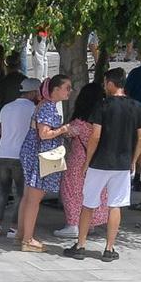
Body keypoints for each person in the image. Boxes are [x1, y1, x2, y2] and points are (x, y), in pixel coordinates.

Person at [67, 68, 141, 262]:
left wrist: (87, 161)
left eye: (105, 83)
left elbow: (95, 136)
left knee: (88, 204)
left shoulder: (102, 105)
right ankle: (109, 248)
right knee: (115, 206)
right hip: (121, 164)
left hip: (99, 162)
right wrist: (132, 160)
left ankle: (81, 245)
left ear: (111, 83)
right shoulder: (137, 107)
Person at [16, 75, 73, 254]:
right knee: (34, 199)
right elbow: (44, 134)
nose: (69, 91)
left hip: (35, 155)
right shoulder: (48, 107)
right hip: (41, 157)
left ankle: (22, 233)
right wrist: (63, 130)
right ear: (55, 90)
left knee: (28, 197)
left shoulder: (44, 105)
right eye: (67, 88)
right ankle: (27, 239)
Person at [56, 81, 109, 241]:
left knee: (71, 191)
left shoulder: (79, 123)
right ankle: (89, 223)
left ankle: (73, 224)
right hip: (97, 162)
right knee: (92, 193)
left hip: (78, 162)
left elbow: (66, 133)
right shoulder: (102, 122)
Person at [0, 78, 39, 239]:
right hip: (21, 155)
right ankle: (13, 227)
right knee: (20, 193)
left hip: (4, 152)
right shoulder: (33, 108)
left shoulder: (6, 107)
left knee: (3, 191)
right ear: (32, 92)